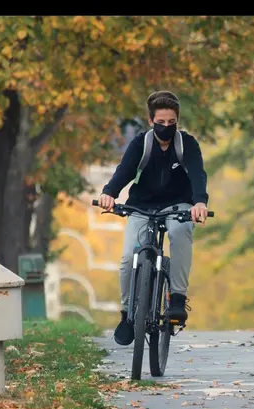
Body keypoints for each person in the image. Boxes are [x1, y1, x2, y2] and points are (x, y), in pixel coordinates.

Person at [98, 90, 209, 346]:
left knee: (181, 232)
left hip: (177, 205)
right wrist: (108, 193)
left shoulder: (187, 144)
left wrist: (200, 202)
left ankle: (178, 299)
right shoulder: (141, 144)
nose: (166, 128)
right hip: (142, 206)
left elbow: (197, 174)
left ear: (177, 121)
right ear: (151, 121)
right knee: (128, 257)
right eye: (161, 123)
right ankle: (127, 315)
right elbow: (123, 172)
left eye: (172, 123)